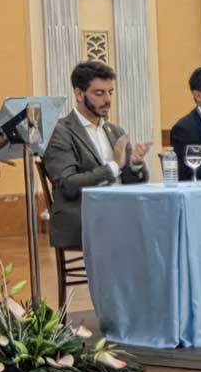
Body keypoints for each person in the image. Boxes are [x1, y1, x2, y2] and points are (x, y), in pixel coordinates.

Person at [42, 59, 152, 249]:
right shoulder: (60, 131)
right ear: (78, 93)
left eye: (110, 92)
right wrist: (115, 166)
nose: (108, 100)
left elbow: (136, 183)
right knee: (139, 234)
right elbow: (68, 184)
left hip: (119, 212)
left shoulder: (115, 131)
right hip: (85, 216)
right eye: (99, 93)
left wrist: (134, 164)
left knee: (159, 224)